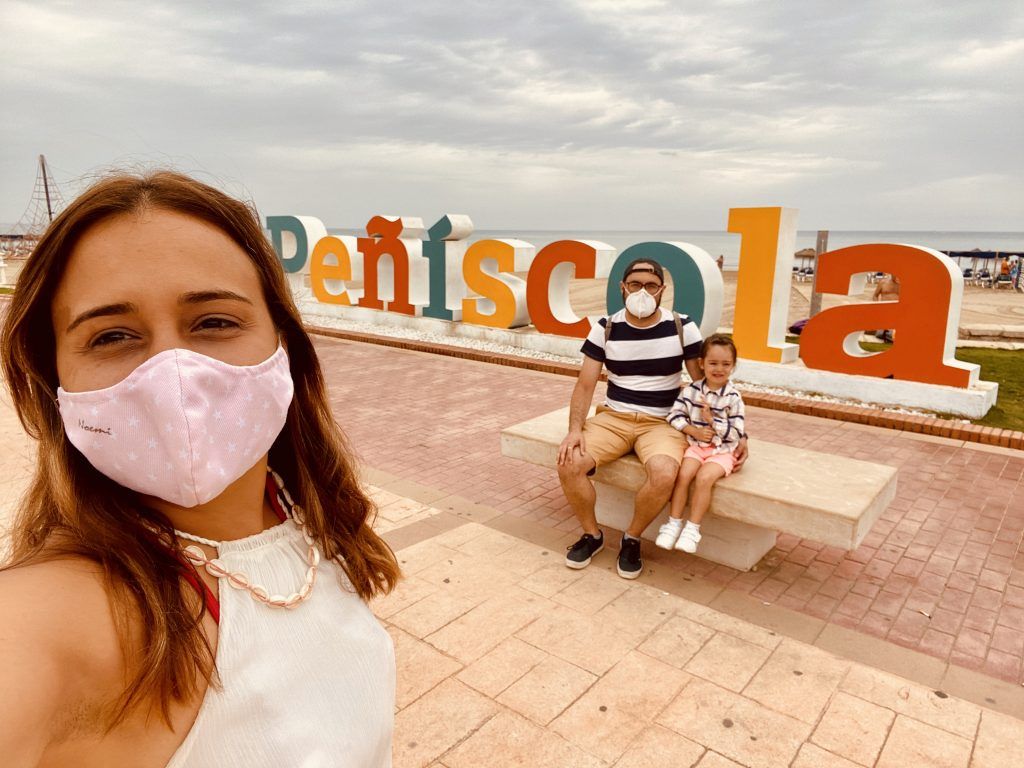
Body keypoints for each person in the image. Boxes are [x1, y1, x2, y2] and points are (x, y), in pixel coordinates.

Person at [0, 171, 400, 767]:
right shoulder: (66, 616)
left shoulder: (303, 513)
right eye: (112, 335)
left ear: (282, 345)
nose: (174, 373)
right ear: (55, 380)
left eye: (214, 322)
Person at [556, 258, 748, 579]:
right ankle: (593, 535)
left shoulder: (681, 326)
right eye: (635, 284)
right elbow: (586, 384)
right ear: (622, 287)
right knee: (568, 462)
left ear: (662, 290)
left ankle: (632, 538)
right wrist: (575, 430)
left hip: (663, 423)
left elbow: (708, 385)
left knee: (664, 474)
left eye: (650, 285)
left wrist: (738, 435)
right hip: (613, 418)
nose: (642, 292)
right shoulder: (605, 327)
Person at [657, 335, 745, 553]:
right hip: (696, 446)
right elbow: (674, 416)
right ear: (701, 363)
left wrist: (712, 421)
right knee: (684, 475)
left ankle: (692, 529)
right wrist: (692, 430)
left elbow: (736, 434)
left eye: (726, 364)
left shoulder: (733, 397)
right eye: (713, 363)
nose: (719, 369)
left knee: (704, 478)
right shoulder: (691, 391)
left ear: (733, 366)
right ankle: (673, 523)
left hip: (722, 451)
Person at [871, 273, 900, 343]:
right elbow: (875, 295)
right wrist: (877, 306)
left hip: (898, 312)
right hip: (884, 311)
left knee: (890, 333)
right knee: (879, 334)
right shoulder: (883, 282)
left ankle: (890, 334)